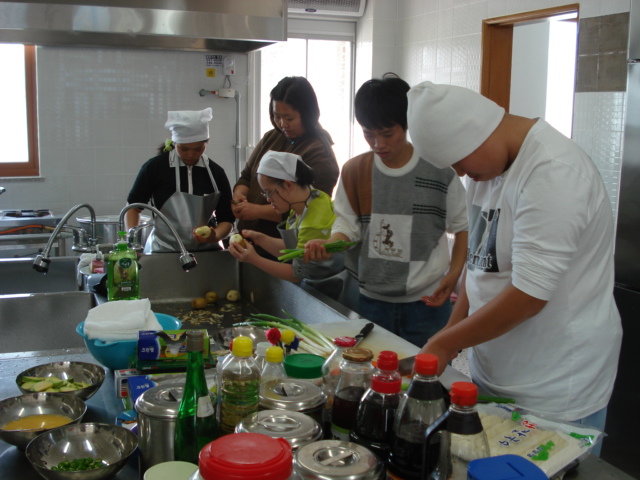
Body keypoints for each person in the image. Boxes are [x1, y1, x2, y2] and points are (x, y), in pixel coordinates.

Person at [406, 81, 622, 437]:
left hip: (554, 387)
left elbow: (529, 297)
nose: (460, 173)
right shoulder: (487, 170)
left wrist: (444, 343)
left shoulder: (553, 171)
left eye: (458, 160)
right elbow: (480, 266)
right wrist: (450, 334)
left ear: (476, 133)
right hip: (496, 374)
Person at [305, 75, 469, 348]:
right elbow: (347, 227)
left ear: (407, 123)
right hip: (370, 302)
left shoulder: (439, 170)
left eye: (387, 133)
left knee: (425, 371)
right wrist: (329, 244)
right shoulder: (355, 171)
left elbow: (462, 226)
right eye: (369, 134)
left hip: (427, 302)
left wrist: (454, 275)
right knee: (371, 371)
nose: (378, 143)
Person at [232, 77, 340, 255]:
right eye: (277, 116)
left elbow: (311, 208)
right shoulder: (272, 137)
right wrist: (240, 195)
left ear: (307, 114)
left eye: (289, 118)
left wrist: (256, 211)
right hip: (252, 244)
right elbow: (246, 176)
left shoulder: (320, 154)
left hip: (284, 249)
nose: (282, 124)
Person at [229, 151, 343, 293]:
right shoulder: (308, 200)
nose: (268, 199)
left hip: (328, 291)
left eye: (269, 192)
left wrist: (253, 259)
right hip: (314, 288)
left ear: (288, 185)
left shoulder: (314, 223)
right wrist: (259, 238)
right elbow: (293, 249)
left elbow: (297, 274)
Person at [126, 108, 234, 253]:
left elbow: (227, 219)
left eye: (198, 149)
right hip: (163, 251)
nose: (191, 154)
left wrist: (215, 236)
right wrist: (132, 243)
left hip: (207, 253)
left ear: (206, 144)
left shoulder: (216, 173)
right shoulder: (155, 168)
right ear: (175, 143)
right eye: (184, 149)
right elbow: (134, 207)